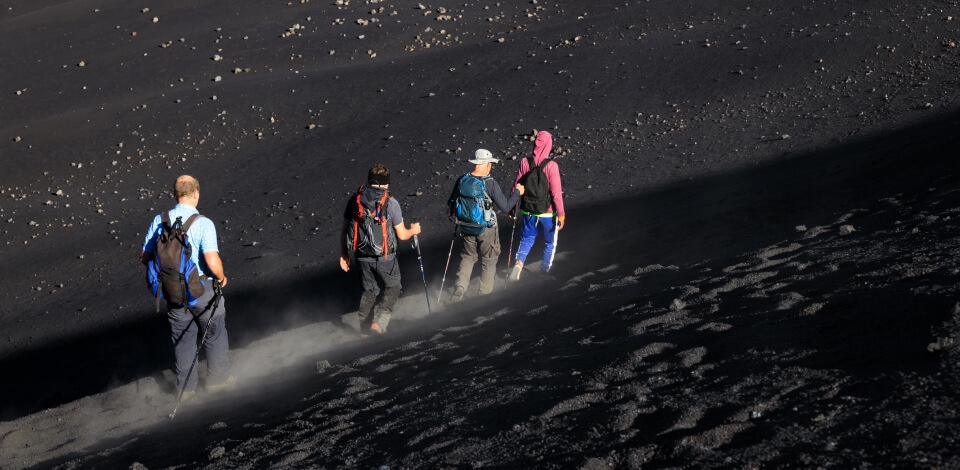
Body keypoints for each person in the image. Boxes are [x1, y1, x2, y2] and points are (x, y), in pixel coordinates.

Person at [141, 175, 235, 400]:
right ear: (196, 193)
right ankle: (217, 382)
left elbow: (145, 256)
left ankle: (186, 390)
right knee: (214, 334)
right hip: (202, 290)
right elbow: (211, 260)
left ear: (175, 195)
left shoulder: (159, 220)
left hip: (173, 294)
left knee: (183, 341)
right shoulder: (203, 222)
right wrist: (221, 277)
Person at [340, 164, 422, 336]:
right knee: (393, 287)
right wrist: (414, 231)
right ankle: (379, 324)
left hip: (362, 256)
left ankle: (364, 331)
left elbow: (345, 230)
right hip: (386, 257)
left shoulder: (355, 200)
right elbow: (402, 235)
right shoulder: (391, 203)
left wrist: (344, 254)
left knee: (368, 292)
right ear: (386, 183)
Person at [447, 149, 524, 301]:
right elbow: (506, 207)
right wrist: (517, 193)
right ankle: (484, 296)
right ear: (488, 164)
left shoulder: (462, 179)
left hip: (465, 226)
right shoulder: (490, 183)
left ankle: (460, 288)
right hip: (487, 229)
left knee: (468, 257)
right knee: (489, 259)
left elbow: (450, 203)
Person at [509, 130, 565, 280]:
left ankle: (519, 264)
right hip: (548, 212)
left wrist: (511, 205)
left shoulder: (524, 162)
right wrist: (561, 214)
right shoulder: (552, 165)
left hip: (529, 209)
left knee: (526, 238)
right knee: (549, 242)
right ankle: (544, 271)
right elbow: (556, 193)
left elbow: (516, 186)